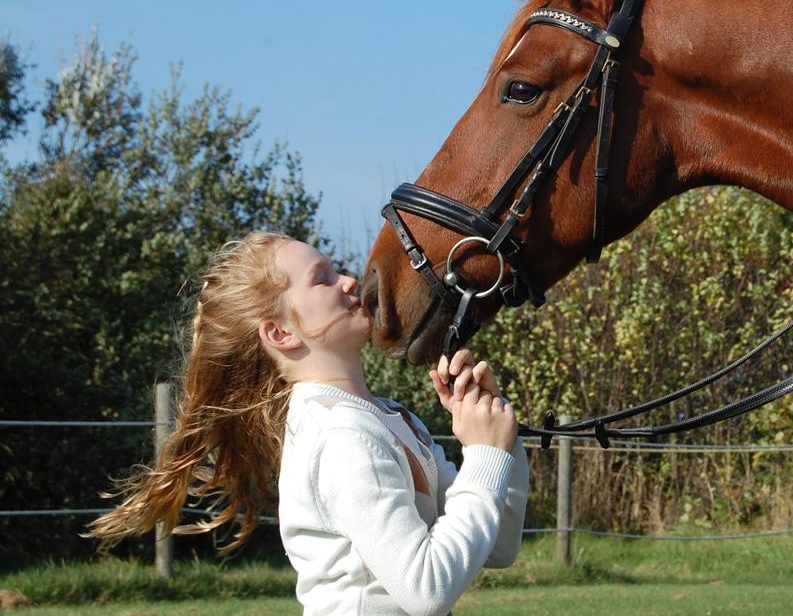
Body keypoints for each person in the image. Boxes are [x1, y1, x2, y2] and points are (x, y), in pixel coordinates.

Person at [88, 231, 528, 616]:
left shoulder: (388, 419)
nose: (349, 281)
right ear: (280, 334)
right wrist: (484, 454)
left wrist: (497, 436)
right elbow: (427, 590)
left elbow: (498, 546)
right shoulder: (342, 436)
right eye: (322, 279)